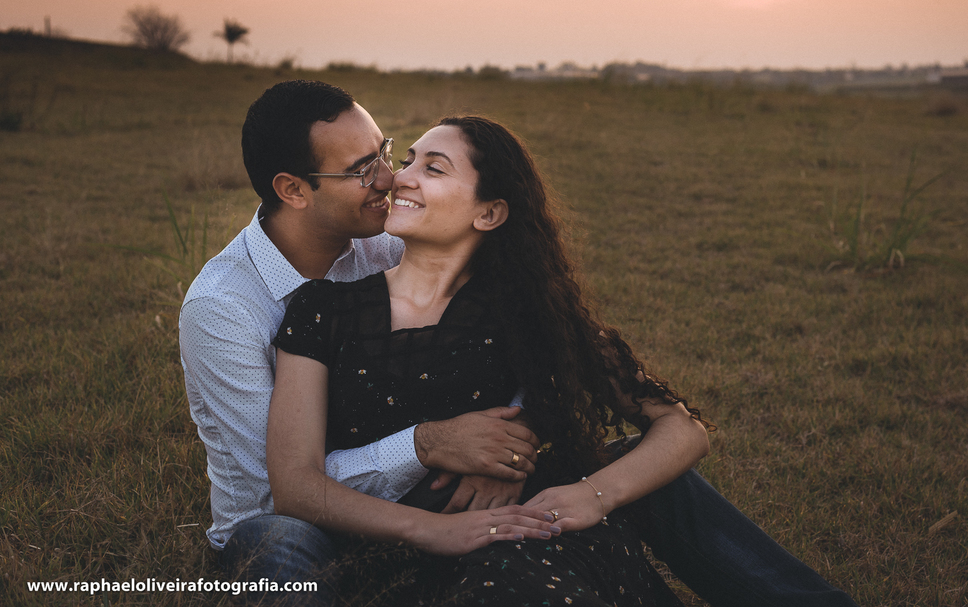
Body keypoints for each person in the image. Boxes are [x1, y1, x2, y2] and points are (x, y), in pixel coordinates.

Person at [179, 80, 857, 606]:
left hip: (487, 512)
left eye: (398, 156)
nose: (393, 180)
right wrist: (430, 445)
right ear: (294, 190)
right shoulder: (238, 309)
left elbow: (516, 331)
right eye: (370, 167)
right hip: (300, 518)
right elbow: (283, 489)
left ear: (489, 212)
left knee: (638, 478)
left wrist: (520, 441)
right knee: (276, 540)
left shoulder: (401, 241)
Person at [268, 116, 713, 603]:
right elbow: (294, 485)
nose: (401, 177)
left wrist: (590, 495)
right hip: (389, 552)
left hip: (525, 542)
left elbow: (681, 426)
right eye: (408, 160)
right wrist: (431, 530)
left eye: (434, 169)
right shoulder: (323, 310)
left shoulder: (529, 311)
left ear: (489, 214)